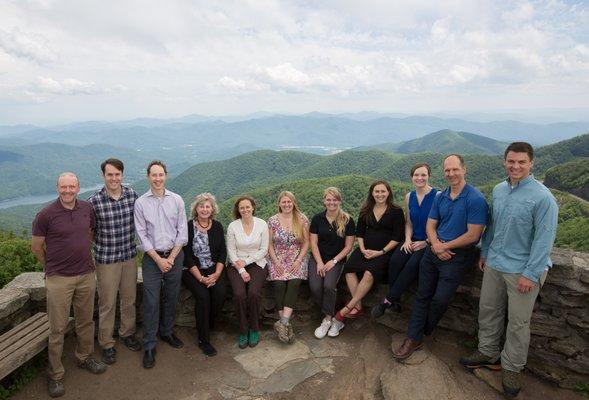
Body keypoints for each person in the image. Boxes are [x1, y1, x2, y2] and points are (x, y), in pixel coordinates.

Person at [459, 143, 558, 398]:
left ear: (531, 163)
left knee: (518, 323)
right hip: (495, 262)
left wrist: (531, 273)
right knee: (488, 310)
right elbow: (492, 226)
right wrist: (485, 252)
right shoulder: (499, 190)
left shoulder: (543, 198)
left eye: (521, 162)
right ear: (504, 161)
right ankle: (487, 351)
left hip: (522, 270)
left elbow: (544, 240)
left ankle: (512, 367)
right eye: (511, 161)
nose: (515, 166)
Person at [393, 154, 488, 360]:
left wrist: (443, 246)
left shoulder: (476, 199)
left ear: (464, 170)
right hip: (433, 252)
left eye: (455, 169)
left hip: (458, 256)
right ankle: (413, 338)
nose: (451, 174)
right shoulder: (442, 196)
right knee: (422, 295)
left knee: (440, 299)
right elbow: (430, 224)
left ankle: (423, 329)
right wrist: (435, 245)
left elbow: (474, 234)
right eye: (447, 170)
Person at [31, 172, 106, 398]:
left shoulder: (87, 209)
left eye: (72, 187)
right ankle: (55, 374)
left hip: (85, 274)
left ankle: (84, 357)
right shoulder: (45, 215)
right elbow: (36, 247)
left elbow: (90, 234)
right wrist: (51, 267)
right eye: (64, 187)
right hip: (58, 279)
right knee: (58, 327)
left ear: (78, 187)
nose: (68, 191)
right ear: (57, 188)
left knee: (85, 321)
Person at [330, 180, 405, 337]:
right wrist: (362, 249)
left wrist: (381, 252)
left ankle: (347, 308)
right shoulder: (366, 209)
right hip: (365, 249)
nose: (380, 194)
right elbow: (360, 232)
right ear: (372, 193)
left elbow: (398, 237)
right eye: (376, 191)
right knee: (349, 270)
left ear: (388, 193)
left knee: (369, 273)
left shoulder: (396, 211)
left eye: (383, 191)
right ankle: (358, 305)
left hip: (385, 252)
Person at [134, 160, 188, 369]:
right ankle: (149, 344)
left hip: (175, 256)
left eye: (161, 175)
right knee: (151, 300)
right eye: (153, 175)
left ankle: (166, 332)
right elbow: (142, 236)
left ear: (166, 176)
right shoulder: (141, 203)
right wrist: (159, 260)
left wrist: (171, 259)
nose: (157, 178)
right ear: (148, 177)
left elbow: (182, 233)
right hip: (151, 257)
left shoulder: (177, 200)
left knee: (171, 297)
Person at [88, 158, 141, 366]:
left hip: (129, 255)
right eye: (109, 174)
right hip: (106, 260)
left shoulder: (132, 196)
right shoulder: (94, 202)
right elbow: (90, 233)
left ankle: (127, 333)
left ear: (122, 175)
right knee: (107, 303)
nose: (114, 178)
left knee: (129, 298)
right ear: (103, 176)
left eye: (117, 174)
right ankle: (107, 343)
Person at [372, 164, 439, 318]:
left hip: (428, 242)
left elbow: (440, 223)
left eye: (423, 175)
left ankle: (387, 301)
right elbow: (409, 222)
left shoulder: (437, 196)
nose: (420, 178)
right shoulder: (410, 196)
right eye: (416, 175)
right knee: (395, 261)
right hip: (412, 238)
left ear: (429, 176)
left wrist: (427, 242)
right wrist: (407, 239)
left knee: (411, 265)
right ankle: (396, 301)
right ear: (412, 177)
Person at [182, 193, 226, 357]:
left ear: (212, 209)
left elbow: (222, 252)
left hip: (214, 268)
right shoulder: (188, 226)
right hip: (192, 269)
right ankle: (204, 339)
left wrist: (216, 274)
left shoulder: (217, 226)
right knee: (202, 297)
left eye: (208, 206)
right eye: (201, 206)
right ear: (196, 208)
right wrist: (200, 277)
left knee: (220, 294)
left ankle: (209, 324)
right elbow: (186, 255)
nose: (204, 209)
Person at [309, 187, 355, 339]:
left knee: (329, 286)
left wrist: (333, 261)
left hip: (337, 260)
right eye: (328, 199)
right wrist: (320, 263)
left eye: (334, 199)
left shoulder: (347, 220)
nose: (331, 202)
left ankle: (329, 319)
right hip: (317, 259)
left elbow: (348, 246)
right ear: (324, 201)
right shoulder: (317, 219)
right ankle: (332, 316)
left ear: (339, 201)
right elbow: (313, 243)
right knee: (315, 287)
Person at [226, 196, 269, 349]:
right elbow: (231, 251)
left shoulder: (262, 224)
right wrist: (241, 269)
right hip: (236, 265)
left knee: (253, 293)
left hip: (258, 263)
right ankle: (243, 331)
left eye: (247, 207)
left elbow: (264, 250)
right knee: (239, 294)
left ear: (253, 207)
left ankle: (254, 329)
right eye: (241, 207)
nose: (245, 210)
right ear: (238, 210)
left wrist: (247, 262)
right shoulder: (233, 226)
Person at [266, 191, 310, 343]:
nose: (286, 205)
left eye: (289, 202)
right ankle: (285, 324)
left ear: (293, 203)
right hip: (276, 258)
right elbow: (269, 244)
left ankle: (283, 323)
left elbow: (306, 243)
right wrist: (276, 261)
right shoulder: (272, 220)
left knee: (294, 282)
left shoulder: (302, 219)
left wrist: (298, 260)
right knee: (278, 284)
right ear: (279, 204)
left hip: (296, 258)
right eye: (283, 202)